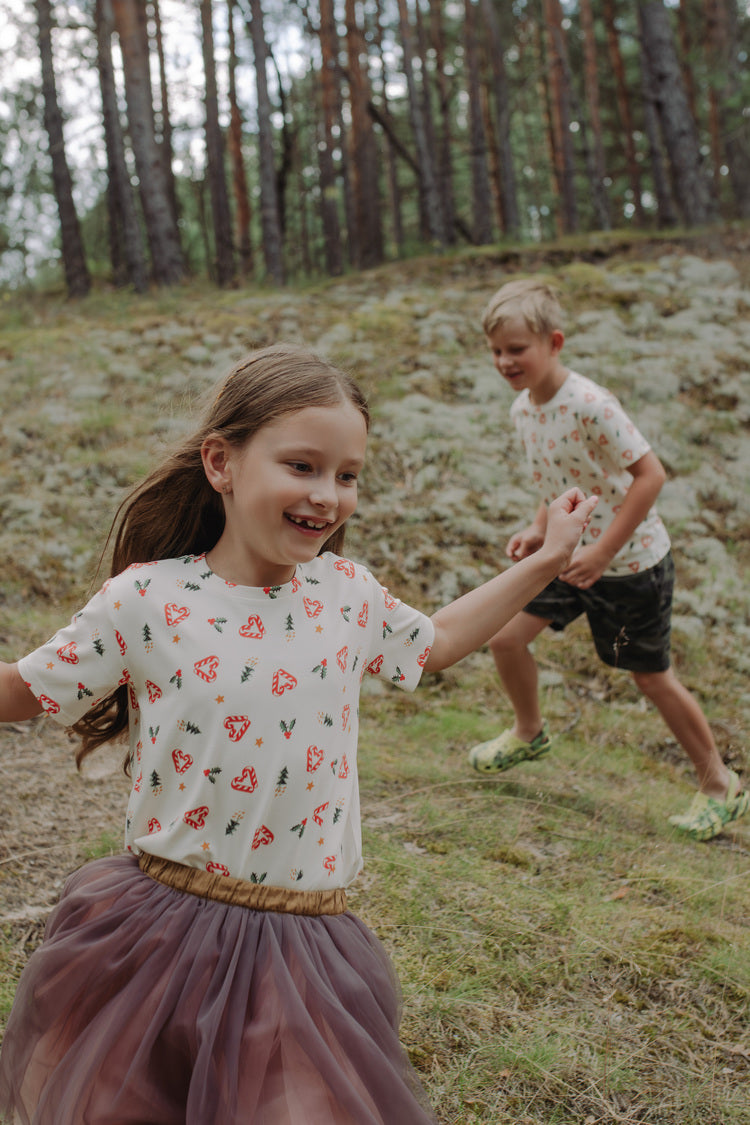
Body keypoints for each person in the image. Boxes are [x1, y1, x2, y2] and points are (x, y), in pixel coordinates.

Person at [0, 344, 596, 1125]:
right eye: (303, 466)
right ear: (222, 462)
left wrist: (550, 557)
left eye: (346, 475)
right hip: (155, 933)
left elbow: (439, 642)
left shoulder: (344, 594)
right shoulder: (148, 599)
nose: (328, 495)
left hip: (302, 947)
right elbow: (24, 688)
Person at [467, 279, 748, 843]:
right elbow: (556, 483)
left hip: (630, 563)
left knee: (650, 676)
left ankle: (720, 784)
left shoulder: (591, 405)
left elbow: (651, 476)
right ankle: (529, 732)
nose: (505, 361)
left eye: (517, 349)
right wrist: (537, 527)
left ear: (554, 343)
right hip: (566, 556)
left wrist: (601, 551)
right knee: (505, 638)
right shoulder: (524, 409)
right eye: (496, 350)